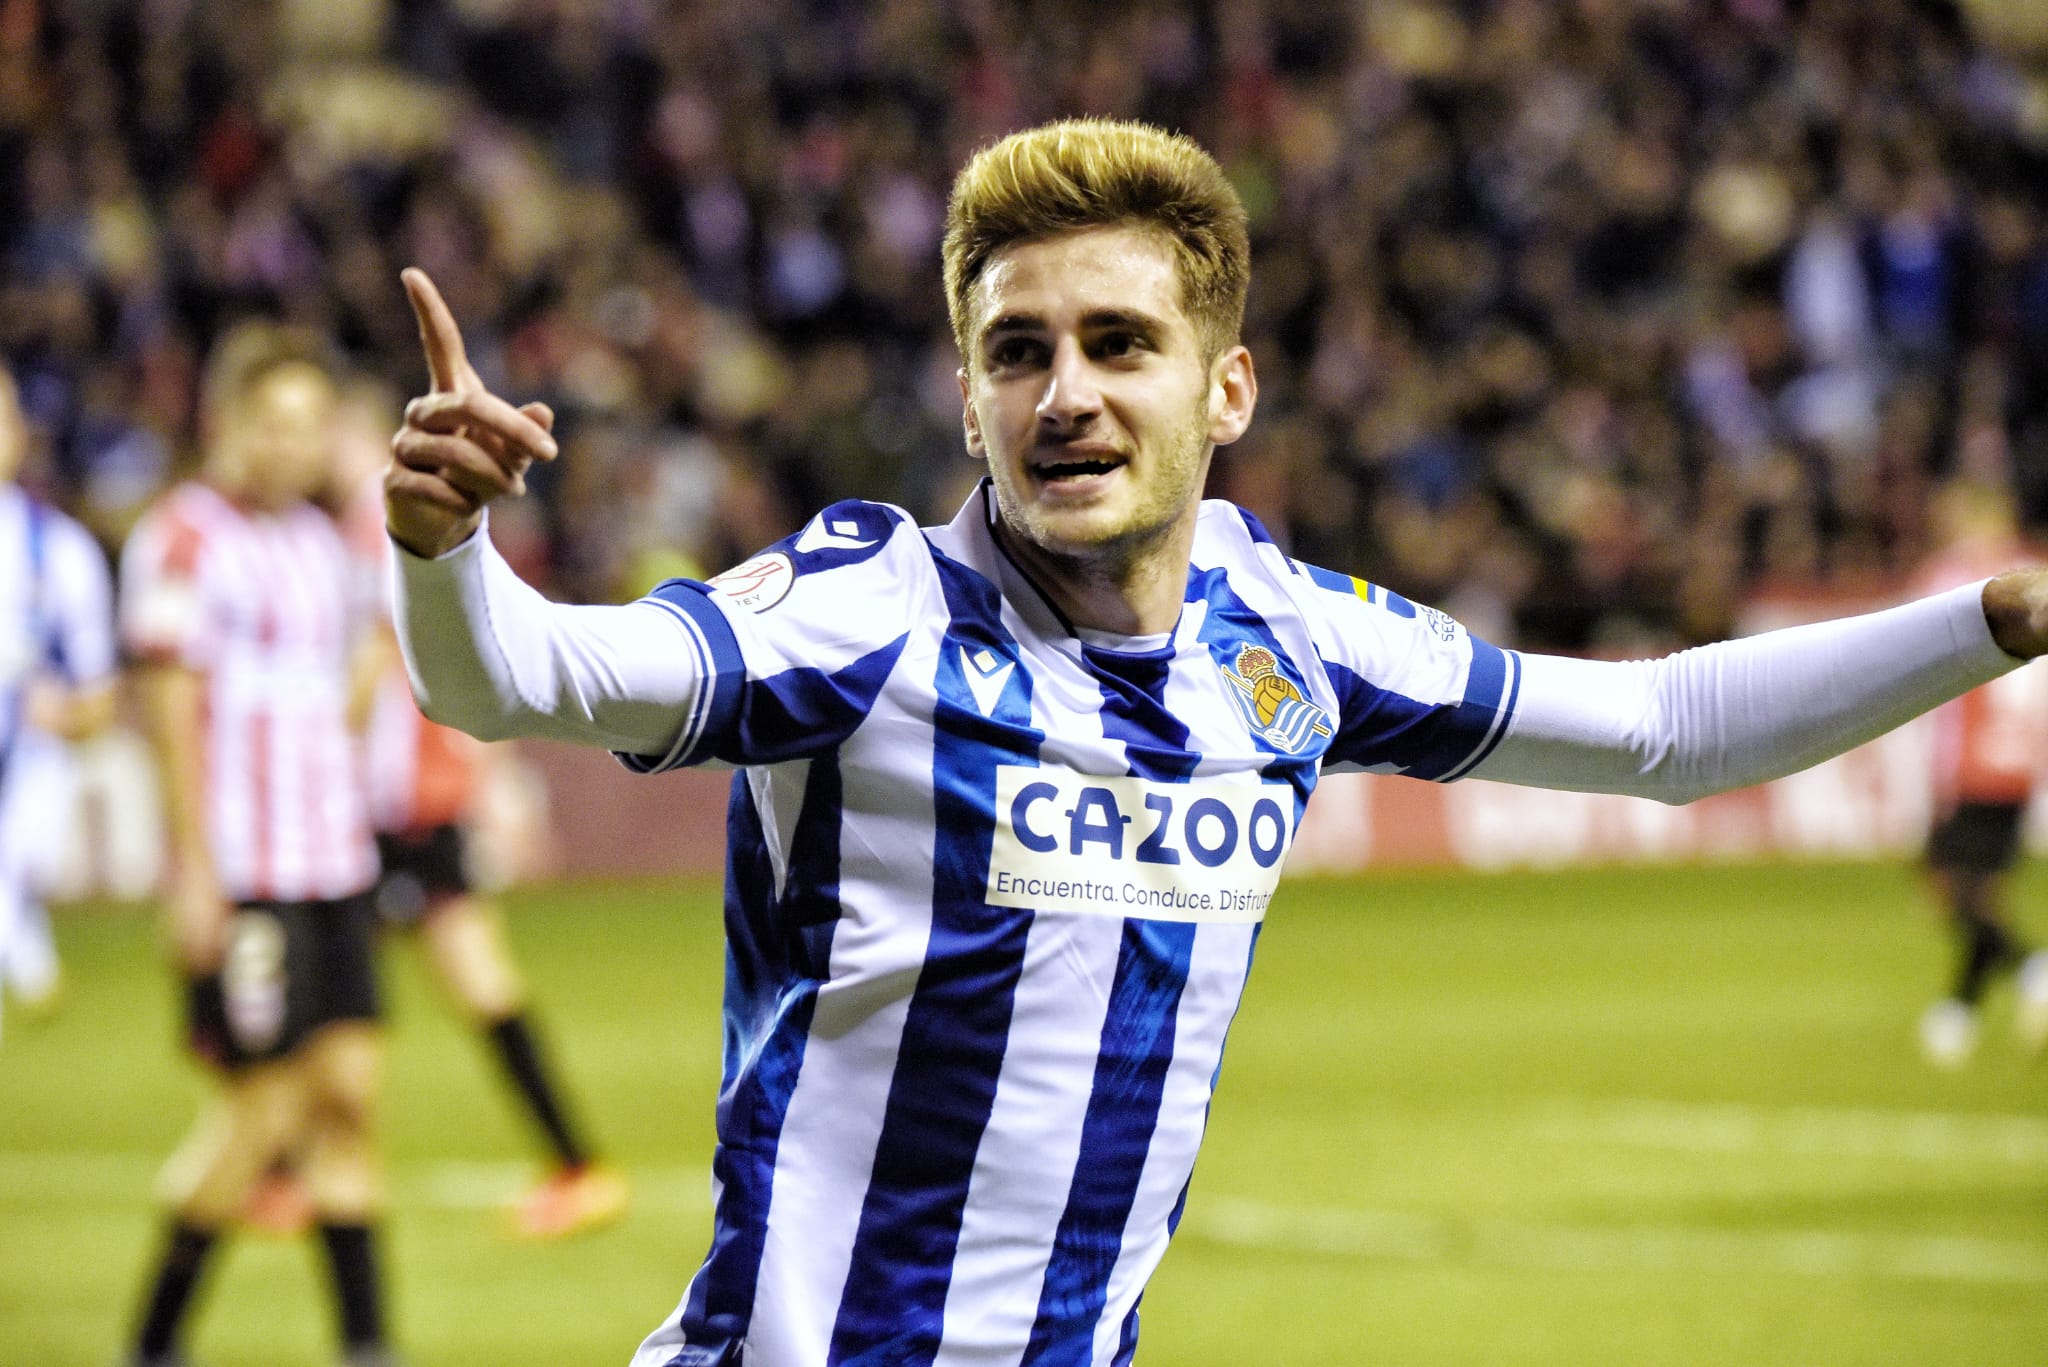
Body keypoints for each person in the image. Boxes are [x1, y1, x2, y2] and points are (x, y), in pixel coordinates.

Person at [383, 120, 2048, 1365]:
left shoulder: (1284, 633)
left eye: (1119, 343)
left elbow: (1669, 729)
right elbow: (521, 679)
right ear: (965, 401)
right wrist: (445, 550)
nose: (1063, 396)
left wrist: (1985, 621)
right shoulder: (866, 608)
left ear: (1225, 390)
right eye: (1015, 352)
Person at [118, 324, 398, 1367]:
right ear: (224, 422)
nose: (296, 444)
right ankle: (151, 1341)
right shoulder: (183, 538)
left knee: (353, 1099)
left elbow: (341, 693)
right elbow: (172, 710)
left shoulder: (320, 544)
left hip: (334, 865)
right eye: (274, 422)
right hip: (248, 872)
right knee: (262, 1114)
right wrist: (194, 873)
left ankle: (368, 1345)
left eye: (312, 424)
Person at [331, 384, 628, 1239]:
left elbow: (382, 655)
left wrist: (322, 741)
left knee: (348, 983)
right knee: (452, 980)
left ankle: (574, 1161)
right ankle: (576, 1161)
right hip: (414, 796)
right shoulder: (371, 520)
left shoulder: (366, 522)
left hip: (394, 801)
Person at [1911, 476, 2048, 1066]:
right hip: (2020, 765)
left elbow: (1923, 672)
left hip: (1973, 765)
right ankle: (1958, 1013)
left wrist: (1939, 779)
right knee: (1977, 893)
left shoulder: (1957, 581)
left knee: (1948, 887)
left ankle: (2032, 971)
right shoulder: (2037, 575)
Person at [0, 361, 117, 1041]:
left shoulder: (60, 553)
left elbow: (98, 697)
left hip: (30, 760)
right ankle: (34, 964)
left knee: (14, 857)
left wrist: (62, 714)